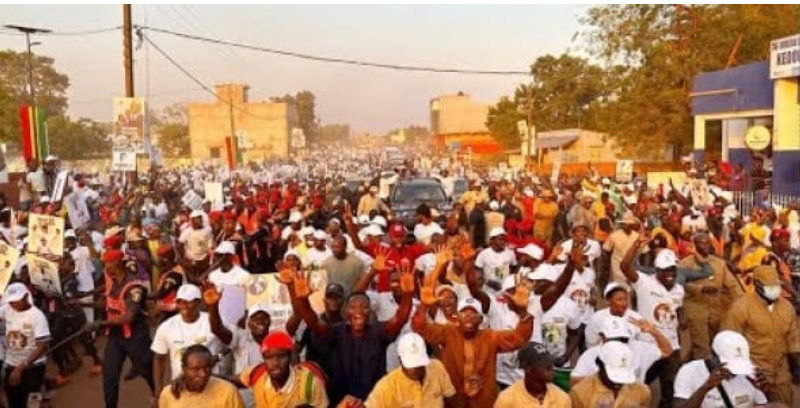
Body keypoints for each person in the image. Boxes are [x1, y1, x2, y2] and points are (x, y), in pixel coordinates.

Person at [284, 260, 414, 405]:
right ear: (345, 312)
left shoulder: (378, 331)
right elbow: (312, 321)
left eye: (364, 307)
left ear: (370, 311)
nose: (358, 312)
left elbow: (400, 319)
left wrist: (407, 295)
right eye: (353, 307)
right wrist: (302, 300)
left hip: (373, 403)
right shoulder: (335, 332)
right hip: (340, 403)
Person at [412, 278, 533, 407]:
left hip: (483, 402)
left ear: (480, 319)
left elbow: (520, 337)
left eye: (473, 313)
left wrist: (523, 313)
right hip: (453, 401)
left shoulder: (491, 336)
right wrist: (423, 306)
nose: (468, 316)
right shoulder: (447, 332)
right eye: (464, 313)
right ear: (457, 317)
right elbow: (420, 327)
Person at [722, 265, 800, 404]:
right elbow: (728, 343)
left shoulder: (787, 307)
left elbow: (793, 340)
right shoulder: (740, 308)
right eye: (769, 286)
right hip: (752, 375)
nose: (775, 289)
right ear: (757, 284)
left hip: (780, 374)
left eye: (776, 285)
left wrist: (797, 366)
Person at [94, 249, 156, 408]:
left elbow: (130, 316)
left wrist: (100, 324)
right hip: (116, 336)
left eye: (108, 263)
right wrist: (82, 303)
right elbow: (108, 305)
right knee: (109, 375)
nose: (106, 267)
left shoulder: (134, 286)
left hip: (135, 336)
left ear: (117, 263)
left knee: (147, 369)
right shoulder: (114, 282)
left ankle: (158, 394)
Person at [678, 232, 743, 360]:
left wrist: (742, 303)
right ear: (695, 245)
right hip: (696, 310)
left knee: (717, 344)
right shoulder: (685, 264)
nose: (705, 245)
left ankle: (692, 364)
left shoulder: (719, 263)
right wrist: (701, 289)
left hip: (717, 310)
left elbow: (732, 285)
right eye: (702, 243)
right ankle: (703, 374)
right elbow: (680, 285)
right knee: (702, 347)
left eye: (707, 242)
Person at [151, 284, 223, 399]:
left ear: (199, 302)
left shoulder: (212, 321)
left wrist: (215, 358)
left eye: (189, 301)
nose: (185, 306)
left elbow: (229, 347)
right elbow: (159, 359)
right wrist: (158, 392)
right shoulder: (166, 327)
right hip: (180, 388)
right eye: (181, 301)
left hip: (211, 384)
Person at [673, 331, 773, 408]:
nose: (734, 372)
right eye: (730, 365)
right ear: (712, 355)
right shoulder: (689, 371)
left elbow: (763, 405)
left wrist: (766, 391)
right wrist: (705, 387)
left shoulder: (750, 374)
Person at [363, 332, 456, 407]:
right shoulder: (387, 386)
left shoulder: (437, 367)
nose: (415, 369)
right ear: (400, 360)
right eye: (411, 363)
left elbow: (451, 399)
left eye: (419, 362)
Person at [239, 331, 329, 408]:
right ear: (263, 359)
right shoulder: (258, 375)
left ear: (290, 356)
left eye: (281, 356)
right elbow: (237, 379)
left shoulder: (310, 384)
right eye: (269, 357)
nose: (275, 363)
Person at [0, 283, 50, 408]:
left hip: (33, 367)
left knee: (31, 403)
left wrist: (20, 368)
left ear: (26, 297)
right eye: (10, 301)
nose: (12, 304)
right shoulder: (8, 309)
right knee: (14, 401)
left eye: (15, 301)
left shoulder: (37, 316)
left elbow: (42, 346)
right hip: (11, 364)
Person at [158, 344, 245, 408]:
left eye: (207, 368)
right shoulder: (169, 394)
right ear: (184, 369)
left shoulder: (228, 392)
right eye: (196, 369)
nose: (203, 374)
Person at [569, 341, 651, 407]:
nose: (619, 383)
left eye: (623, 376)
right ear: (599, 364)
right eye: (614, 376)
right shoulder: (579, 393)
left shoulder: (642, 391)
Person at [494, 342, 572, 407]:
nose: (551, 367)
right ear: (527, 368)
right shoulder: (506, 400)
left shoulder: (562, 398)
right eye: (544, 364)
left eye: (550, 362)